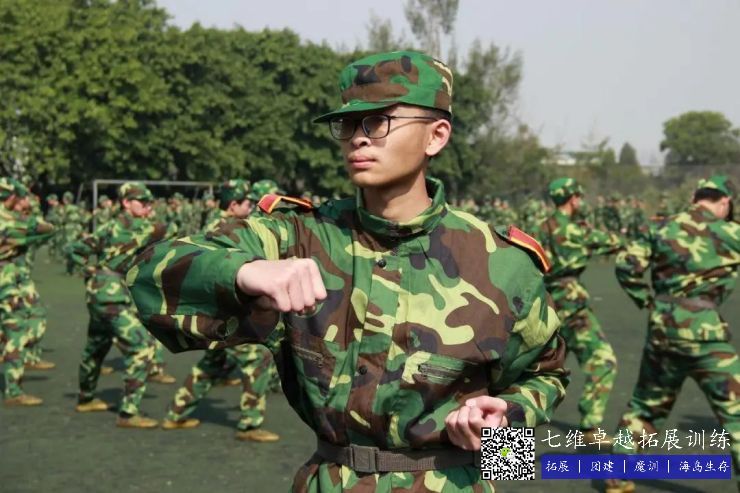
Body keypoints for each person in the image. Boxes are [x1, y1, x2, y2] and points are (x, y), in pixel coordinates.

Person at [128, 50, 568, 492]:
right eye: (348, 124)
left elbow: (546, 374)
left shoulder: (501, 262)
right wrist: (245, 272)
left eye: (378, 122)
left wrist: (505, 423)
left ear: (436, 136)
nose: (358, 138)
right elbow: (150, 272)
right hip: (331, 477)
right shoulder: (300, 238)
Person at [606, 175, 739, 493]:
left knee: (644, 408)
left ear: (695, 197)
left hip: (664, 330)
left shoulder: (661, 227)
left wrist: (647, 300)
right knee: (736, 413)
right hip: (707, 334)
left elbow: (626, 264)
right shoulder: (731, 233)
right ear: (725, 201)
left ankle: (616, 476)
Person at [161, 179, 280, 442]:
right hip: (228, 313)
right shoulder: (226, 228)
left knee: (212, 364)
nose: (250, 207)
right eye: (247, 203)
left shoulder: (218, 224)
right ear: (234, 204)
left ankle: (177, 412)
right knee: (257, 359)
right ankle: (250, 425)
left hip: (218, 314)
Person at [67, 182, 176, 428]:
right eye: (143, 202)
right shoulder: (141, 226)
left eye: (150, 203)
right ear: (126, 203)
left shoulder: (109, 226)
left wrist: (90, 271)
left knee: (96, 346)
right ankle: (128, 413)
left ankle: (86, 398)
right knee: (142, 346)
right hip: (113, 296)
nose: (148, 207)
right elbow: (168, 229)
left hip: (99, 293)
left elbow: (76, 249)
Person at [534, 178, 622, 443]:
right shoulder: (576, 229)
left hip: (545, 304)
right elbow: (613, 241)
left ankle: (504, 455)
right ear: (573, 199)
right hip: (571, 305)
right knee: (603, 361)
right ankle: (590, 428)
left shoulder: (541, 228)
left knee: (532, 374)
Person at [1, 178, 55, 406]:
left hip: (11, 278)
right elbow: (48, 229)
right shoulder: (10, 221)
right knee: (18, 331)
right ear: (13, 197)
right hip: (5, 283)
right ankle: (13, 391)